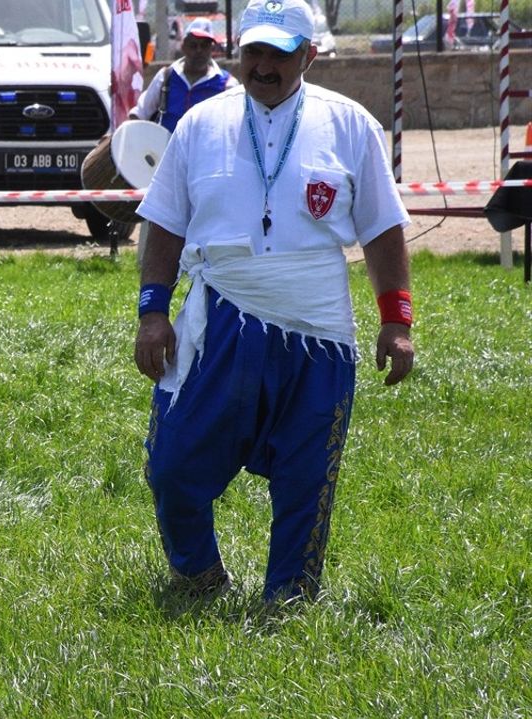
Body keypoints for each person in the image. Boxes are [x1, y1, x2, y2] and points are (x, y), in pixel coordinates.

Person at [132, 0, 415, 605]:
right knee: (173, 466)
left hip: (317, 327)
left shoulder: (351, 124)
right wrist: (153, 311)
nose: (263, 66)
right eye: (253, 52)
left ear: (308, 56)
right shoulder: (200, 124)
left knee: (307, 478)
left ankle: (289, 598)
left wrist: (397, 320)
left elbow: (383, 228)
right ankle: (200, 573)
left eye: (278, 55)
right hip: (221, 315)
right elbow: (163, 224)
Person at [128, 18, 238, 133]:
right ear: (183, 46)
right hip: (165, 148)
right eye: (193, 45)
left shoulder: (227, 85)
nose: (199, 51)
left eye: (204, 46)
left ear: (212, 49)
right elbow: (140, 114)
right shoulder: (166, 77)